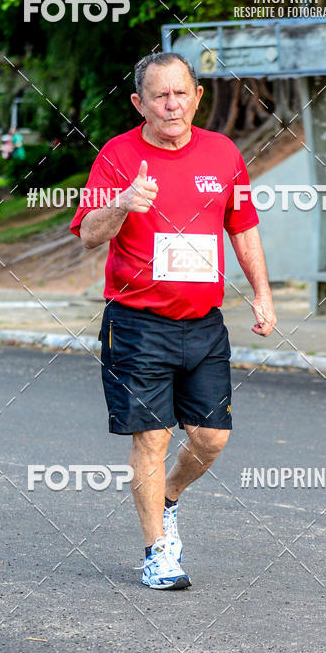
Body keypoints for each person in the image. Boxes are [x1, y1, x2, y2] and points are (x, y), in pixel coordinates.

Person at [70, 52, 276, 590]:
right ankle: (157, 551)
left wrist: (262, 293)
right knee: (151, 441)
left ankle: (167, 498)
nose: (171, 104)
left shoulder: (224, 152)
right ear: (140, 103)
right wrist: (123, 202)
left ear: (197, 97)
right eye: (159, 95)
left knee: (211, 438)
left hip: (204, 325)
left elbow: (244, 226)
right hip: (138, 325)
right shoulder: (117, 155)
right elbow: (90, 233)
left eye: (180, 93)